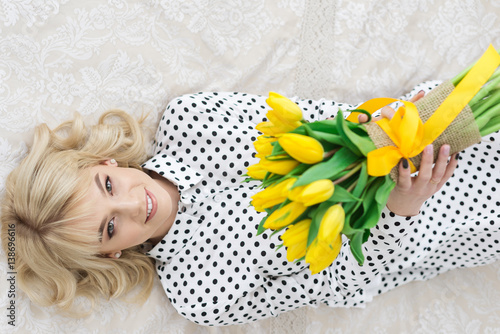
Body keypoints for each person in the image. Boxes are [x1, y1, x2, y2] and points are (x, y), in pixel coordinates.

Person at [1, 81, 498, 326]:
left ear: (105, 162)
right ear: (110, 254)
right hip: (453, 224)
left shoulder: (193, 119)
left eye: (108, 188)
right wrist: (400, 211)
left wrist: (392, 124)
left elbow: (325, 118)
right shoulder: (199, 290)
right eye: (110, 229)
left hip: (436, 130)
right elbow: (350, 284)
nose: (135, 205)